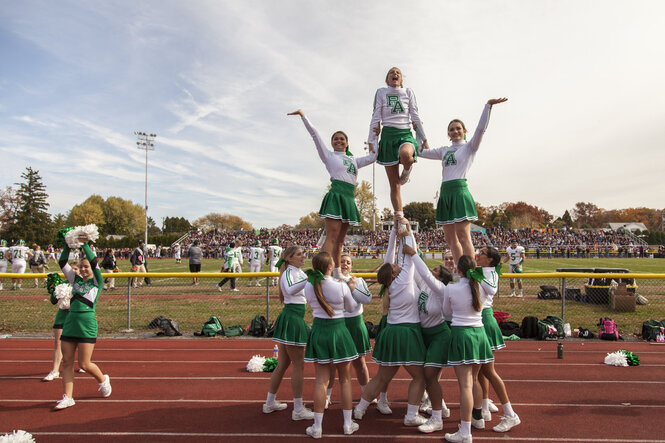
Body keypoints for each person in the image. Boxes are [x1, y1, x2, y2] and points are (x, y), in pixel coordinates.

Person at [353, 222, 428, 428]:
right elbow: (409, 255)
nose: (397, 264)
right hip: (406, 332)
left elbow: (390, 259)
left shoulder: (390, 283)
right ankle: (411, 415)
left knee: (381, 377)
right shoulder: (402, 280)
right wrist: (408, 233)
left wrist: (395, 233)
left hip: (392, 332)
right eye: (396, 267)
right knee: (420, 377)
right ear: (394, 274)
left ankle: (359, 409)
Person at [418, 98, 508, 264]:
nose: (455, 131)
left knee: (463, 236)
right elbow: (420, 152)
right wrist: (417, 129)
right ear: (448, 133)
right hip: (445, 193)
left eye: (458, 128)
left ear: (464, 130)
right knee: (450, 239)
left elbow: (480, 130)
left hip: (459, 191)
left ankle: (471, 270)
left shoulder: (469, 147)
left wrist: (488, 106)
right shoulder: (443, 150)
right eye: (451, 129)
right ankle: (461, 271)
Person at [288, 109, 377, 278]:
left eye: (342, 139)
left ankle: (336, 272)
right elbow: (315, 135)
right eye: (335, 139)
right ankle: (321, 273)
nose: (339, 141)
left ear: (347, 143)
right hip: (336, 197)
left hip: (349, 199)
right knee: (331, 237)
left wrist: (375, 137)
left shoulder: (354, 160)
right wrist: (303, 116)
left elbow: (374, 157)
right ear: (332, 143)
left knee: (341, 241)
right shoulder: (328, 156)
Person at [303, 251, 360, 438]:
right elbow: (352, 308)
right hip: (339, 331)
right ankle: (347, 424)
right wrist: (351, 288)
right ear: (329, 267)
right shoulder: (340, 286)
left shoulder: (308, 286)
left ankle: (317, 427)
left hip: (319, 331)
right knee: (345, 380)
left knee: (321, 381)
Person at [402, 243, 454, 433]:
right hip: (423, 334)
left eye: (436, 269)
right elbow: (416, 270)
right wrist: (406, 234)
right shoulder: (425, 283)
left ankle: (437, 418)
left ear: (440, 277)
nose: (432, 270)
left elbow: (423, 271)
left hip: (439, 335)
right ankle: (439, 407)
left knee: (430, 375)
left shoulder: (440, 288)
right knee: (424, 375)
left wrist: (414, 253)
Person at [367, 67, 429, 227]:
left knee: (406, 154)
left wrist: (424, 137)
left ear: (401, 79)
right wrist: (371, 140)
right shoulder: (381, 92)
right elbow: (376, 116)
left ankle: (407, 171)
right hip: (388, 136)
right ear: (387, 79)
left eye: (398, 73)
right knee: (394, 185)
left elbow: (415, 115)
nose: (395, 74)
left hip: (405, 134)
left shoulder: (408, 92)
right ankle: (399, 217)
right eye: (391, 73)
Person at [55, 234, 111, 410]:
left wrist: (85, 244)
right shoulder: (75, 280)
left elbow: (94, 263)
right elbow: (62, 262)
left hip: (86, 325)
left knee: (85, 364)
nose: (84, 269)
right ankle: (68, 397)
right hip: (71, 323)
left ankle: (103, 379)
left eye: (86, 267)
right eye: (82, 267)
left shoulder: (97, 282)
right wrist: (68, 243)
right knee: (67, 362)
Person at [441, 255, 494, 443]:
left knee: (465, 385)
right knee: (475, 379)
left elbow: (446, 312)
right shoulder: (481, 286)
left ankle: (465, 432)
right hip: (480, 335)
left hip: (461, 334)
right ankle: (477, 418)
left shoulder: (451, 288)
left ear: (459, 270)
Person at [262, 246, 314, 422]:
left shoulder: (296, 272)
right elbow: (291, 290)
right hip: (292, 318)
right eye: (299, 254)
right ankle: (298, 408)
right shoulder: (288, 274)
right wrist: (308, 277)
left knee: (283, 363)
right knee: (298, 365)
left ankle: (270, 402)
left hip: (295, 316)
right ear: (289, 258)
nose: (302, 256)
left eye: (302, 254)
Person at [475, 246, 521, 433]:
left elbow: (492, 290)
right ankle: (484, 406)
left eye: (482, 254)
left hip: (484, 320)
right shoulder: (481, 270)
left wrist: (477, 275)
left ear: (491, 260)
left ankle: (510, 414)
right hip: (476, 319)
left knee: (489, 370)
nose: (478, 255)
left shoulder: (490, 272)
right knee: (480, 370)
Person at [325, 254, 373, 408]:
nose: (345, 264)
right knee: (332, 363)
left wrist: (352, 288)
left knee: (360, 362)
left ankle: (367, 395)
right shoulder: (330, 281)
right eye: (342, 262)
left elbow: (367, 299)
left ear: (352, 266)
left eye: (348, 262)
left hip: (355, 324)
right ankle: (326, 396)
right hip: (337, 324)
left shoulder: (358, 280)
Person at [43, 264, 84, 382]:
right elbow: (53, 301)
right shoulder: (61, 284)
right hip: (62, 316)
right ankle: (55, 370)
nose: (74, 271)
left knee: (80, 341)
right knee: (58, 342)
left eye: (76, 269)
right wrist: (53, 290)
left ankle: (83, 364)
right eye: (71, 269)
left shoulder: (84, 284)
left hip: (77, 316)